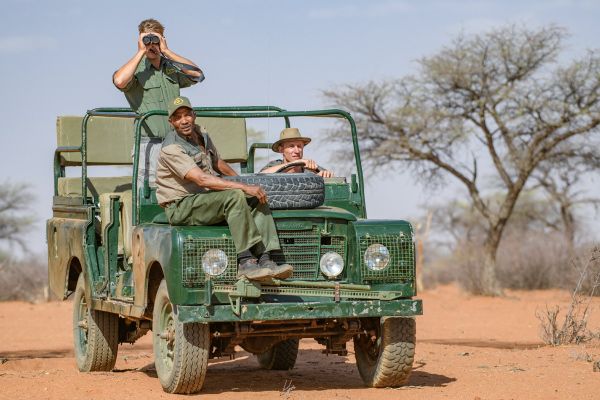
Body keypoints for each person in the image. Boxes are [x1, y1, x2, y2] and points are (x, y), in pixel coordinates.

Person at [156, 97, 293, 282]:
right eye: (178, 117)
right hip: (181, 205)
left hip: (206, 200)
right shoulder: (171, 148)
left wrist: (245, 182)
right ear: (171, 122)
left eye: (187, 115)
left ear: (194, 115)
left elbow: (217, 162)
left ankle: (266, 258)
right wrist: (243, 187)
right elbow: (202, 179)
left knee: (256, 198)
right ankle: (245, 261)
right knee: (235, 195)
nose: (184, 120)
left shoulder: (200, 133)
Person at [113, 18, 204, 189]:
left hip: (177, 142)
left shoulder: (171, 66)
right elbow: (119, 81)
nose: (151, 45)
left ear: (163, 39)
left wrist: (167, 51)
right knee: (150, 198)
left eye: (155, 40)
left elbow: (197, 75)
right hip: (150, 145)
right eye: (147, 40)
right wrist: (141, 51)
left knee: (185, 192)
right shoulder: (136, 69)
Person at [260, 128, 334, 177]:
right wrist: (295, 163)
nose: (297, 151)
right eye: (291, 146)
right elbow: (260, 176)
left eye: (299, 146)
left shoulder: (311, 168)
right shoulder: (274, 165)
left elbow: (333, 181)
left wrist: (321, 176)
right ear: (281, 150)